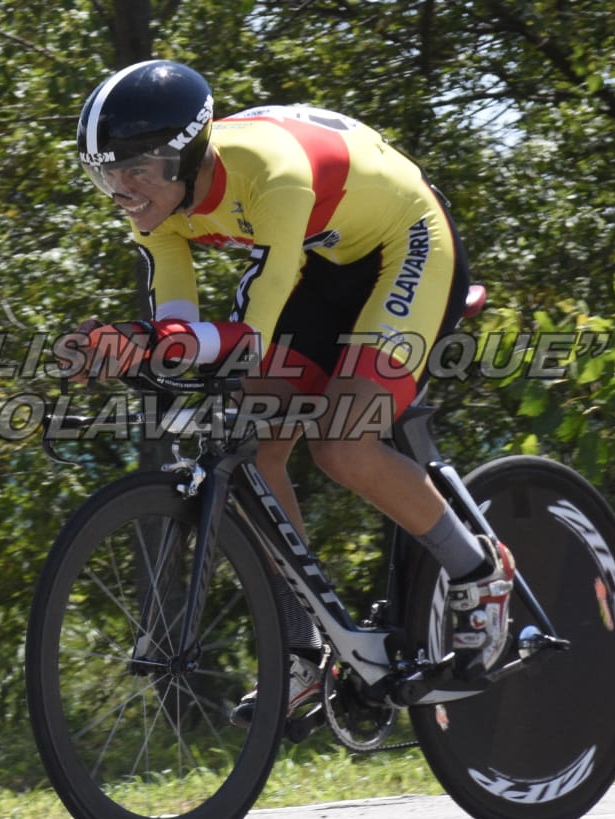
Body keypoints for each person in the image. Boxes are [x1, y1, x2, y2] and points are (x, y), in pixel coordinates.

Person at [71, 59, 516, 725]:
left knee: (342, 440)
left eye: (135, 169)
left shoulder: (269, 173)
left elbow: (252, 323)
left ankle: (479, 571)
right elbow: (181, 324)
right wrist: (137, 344)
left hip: (408, 242)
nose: (122, 190)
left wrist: (159, 341)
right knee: (250, 442)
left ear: (187, 156)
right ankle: (305, 647)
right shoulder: (156, 203)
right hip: (325, 258)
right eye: (106, 173)